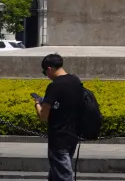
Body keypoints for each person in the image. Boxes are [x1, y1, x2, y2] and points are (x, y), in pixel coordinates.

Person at [35, 53, 83, 181]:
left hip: (58, 137)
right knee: (56, 173)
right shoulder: (76, 81)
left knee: (64, 175)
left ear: (49, 69)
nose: (47, 76)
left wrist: (37, 104)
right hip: (73, 135)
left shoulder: (54, 86)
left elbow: (43, 116)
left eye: (45, 73)